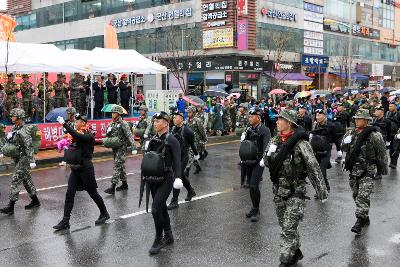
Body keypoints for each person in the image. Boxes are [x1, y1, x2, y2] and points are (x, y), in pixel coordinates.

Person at [265, 109, 328, 267]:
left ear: (290, 123)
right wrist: (268, 155)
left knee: (287, 228)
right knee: (285, 224)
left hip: (296, 191)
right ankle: (296, 250)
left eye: (281, 119)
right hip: (279, 191)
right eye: (277, 119)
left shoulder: (301, 144)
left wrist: (321, 191)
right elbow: (267, 163)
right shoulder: (274, 141)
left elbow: (313, 167)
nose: (277, 122)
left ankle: (284, 260)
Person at [53, 114, 110, 230]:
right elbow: (72, 137)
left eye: (78, 121)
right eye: (75, 121)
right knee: (69, 194)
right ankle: (65, 221)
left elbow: (76, 135)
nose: (76, 123)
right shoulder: (74, 135)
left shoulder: (88, 136)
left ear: (83, 123)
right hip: (75, 169)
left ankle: (104, 213)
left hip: (86, 169)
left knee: (93, 193)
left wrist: (64, 124)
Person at [139, 111, 182, 254]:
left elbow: (177, 161)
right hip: (153, 179)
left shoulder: (172, 140)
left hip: (166, 178)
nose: (155, 123)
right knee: (162, 207)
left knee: (156, 208)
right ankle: (169, 235)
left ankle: (159, 238)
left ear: (165, 123)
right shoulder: (152, 139)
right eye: (154, 121)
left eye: (158, 121)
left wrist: (178, 177)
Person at [342, 109, 388, 236]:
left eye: (359, 118)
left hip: (368, 169)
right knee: (356, 195)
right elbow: (344, 148)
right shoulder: (351, 132)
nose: (356, 120)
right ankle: (365, 216)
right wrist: (346, 142)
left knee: (363, 196)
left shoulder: (374, 135)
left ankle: (359, 222)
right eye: (356, 118)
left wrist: (383, 169)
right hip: (354, 170)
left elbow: (382, 153)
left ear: (367, 121)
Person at [0, 108, 40, 215]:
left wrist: (31, 160)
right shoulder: (14, 128)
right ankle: (35, 201)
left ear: (18, 117)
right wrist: (8, 140)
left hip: (25, 158)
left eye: (13, 116)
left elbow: (29, 146)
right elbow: (12, 142)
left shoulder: (24, 130)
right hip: (18, 157)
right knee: (26, 180)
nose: (11, 117)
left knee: (16, 179)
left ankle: (11, 206)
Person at [239, 107, 270, 222]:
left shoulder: (264, 130)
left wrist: (264, 159)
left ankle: (257, 210)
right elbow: (245, 145)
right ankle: (253, 207)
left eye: (252, 116)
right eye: (249, 116)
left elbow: (267, 145)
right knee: (250, 187)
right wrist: (242, 141)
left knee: (254, 185)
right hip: (249, 160)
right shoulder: (249, 129)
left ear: (258, 117)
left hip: (258, 161)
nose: (250, 118)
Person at [167, 110, 199, 210]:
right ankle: (191, 191)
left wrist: (196, 154)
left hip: (183, 157)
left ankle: (174, 201)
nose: (174, 119)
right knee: (181, 176)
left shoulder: (188, 131)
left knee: (177, 177)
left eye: (175, 118)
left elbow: (193, 144)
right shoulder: (173, 128)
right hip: (174, 156)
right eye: (173, 117)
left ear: (181, 119)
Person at [104, 105, 135, 194]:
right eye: (112, 113)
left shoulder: (123, 124)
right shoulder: (111, 124)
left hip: (122, 147)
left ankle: (112, 187)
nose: (112, 115)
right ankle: (124, 184)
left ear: (119, 114)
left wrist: (133, 146)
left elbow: (129, 135)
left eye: (114, 113)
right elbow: (108, 135)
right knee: (120, 166)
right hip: (115, 147)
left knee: (117, 165)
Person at [311, 109, 341, 193]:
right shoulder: (315, 125)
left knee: (321, 169)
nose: (317, 117)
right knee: (317, 170)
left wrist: (339, 150)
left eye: (319, 115)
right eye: (316, 115)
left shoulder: (331, 125)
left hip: (326, 150)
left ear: (324, 116)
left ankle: (321, 190)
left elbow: (335, 139)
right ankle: (326, 184)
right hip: (317, 150)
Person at [186, 106, 206, 174]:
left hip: (196, 140)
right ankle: (198, 167)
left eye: (190, 112)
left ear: (194, 113)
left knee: (190, 154)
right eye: (188, 112)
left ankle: (187, 169)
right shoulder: (186, 121)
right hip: (188, 140)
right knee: (193, 154)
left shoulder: (198, 120)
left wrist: (204, 139)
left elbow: (202, 131)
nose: (188, 114)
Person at [386, 102, 400, 168]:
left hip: (396, 134)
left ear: (395, 107)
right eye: (389, 106)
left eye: (391, 106)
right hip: (389, 134)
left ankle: (394, 163)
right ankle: (391, 162)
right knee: (390, 149)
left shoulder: (398, 113)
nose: (390, 108)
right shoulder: (388, 113)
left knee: (395, 149)